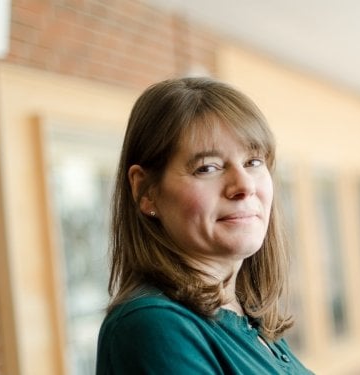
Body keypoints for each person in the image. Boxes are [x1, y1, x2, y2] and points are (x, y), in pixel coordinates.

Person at [96, 77, 311, 374]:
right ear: (146, 191)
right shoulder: (156, 326)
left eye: (253, 162)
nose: (244, 186)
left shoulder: (246, 317)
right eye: (208, 168)